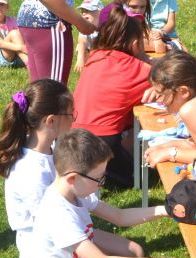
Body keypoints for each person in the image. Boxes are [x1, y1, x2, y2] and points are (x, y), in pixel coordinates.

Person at [26, 128, 179, 258]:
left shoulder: (74, 193)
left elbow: (120, 217)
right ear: (72, 179)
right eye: (99, 179)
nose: (101, 184)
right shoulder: (58, 215)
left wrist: (163, 210)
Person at [0, 79, 76, 258]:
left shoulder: (52, 149)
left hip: (58, 237)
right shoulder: (31, 171)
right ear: (51, 121)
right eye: (70, 114)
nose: (74, 120)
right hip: (46, 254)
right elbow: (47, 222)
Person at [73, 2, 151, 188]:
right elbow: (164, 79)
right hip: (102, 142)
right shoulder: (137, 69)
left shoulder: (96, 56)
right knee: (127, 178)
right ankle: (116, 173)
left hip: (72, 134)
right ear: (134, 44)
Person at [17, 0, 96, 85]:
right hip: (50, 22)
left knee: (40, 89)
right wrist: (80, 23)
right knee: (54, 90)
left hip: (31, 18)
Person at [0, 0, 28, 68]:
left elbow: (24, 36)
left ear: (7, 7)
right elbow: (0, 43)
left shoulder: (13, 20)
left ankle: (29, 62)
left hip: (15, 56)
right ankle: (30, 65)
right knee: (14, 33)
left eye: (2, 4)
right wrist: (21, 48)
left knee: (20, 34)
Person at [73, 0, 103, 73]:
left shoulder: (107, 26)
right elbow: (82, 41)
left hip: (104, 53)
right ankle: (85, 70)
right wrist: (80, 58)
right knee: (81, 48)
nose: (83, 13)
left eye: (88, 10)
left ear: (100, 12)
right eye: (82, 11)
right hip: (91, 52)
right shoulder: (86, 28)